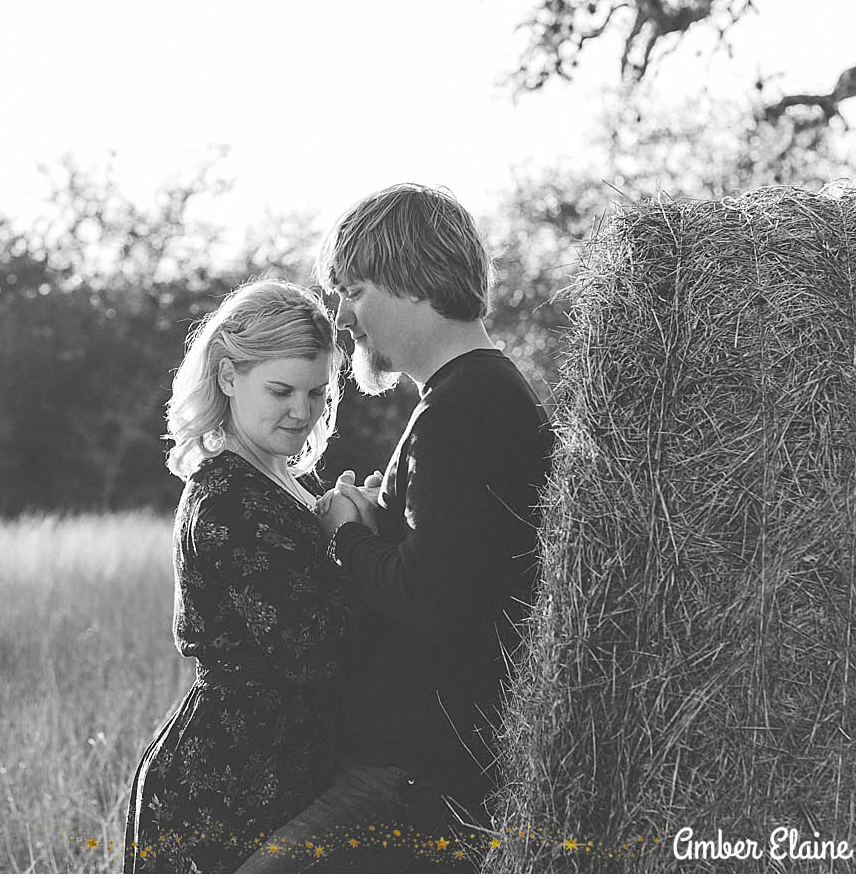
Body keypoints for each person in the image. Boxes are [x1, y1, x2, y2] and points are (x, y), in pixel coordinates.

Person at [241, 183, 554, 872]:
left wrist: (346, 532)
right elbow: (461, 561)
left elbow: (433, 600)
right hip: (417, 759)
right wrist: (384, 521)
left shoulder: (465, 407)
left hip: (420, 769)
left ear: (411, 280)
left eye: (354, 290)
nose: (344, 315)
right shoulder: (470, 395)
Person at [125, 280, 350, 872]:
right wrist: (362, 545)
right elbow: (314, 651)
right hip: (227, 784)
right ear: (228, 377)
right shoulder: (228, 497)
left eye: (316, 394)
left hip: (281, 770)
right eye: (280, 390)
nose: (301, 411)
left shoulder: (290, 485)